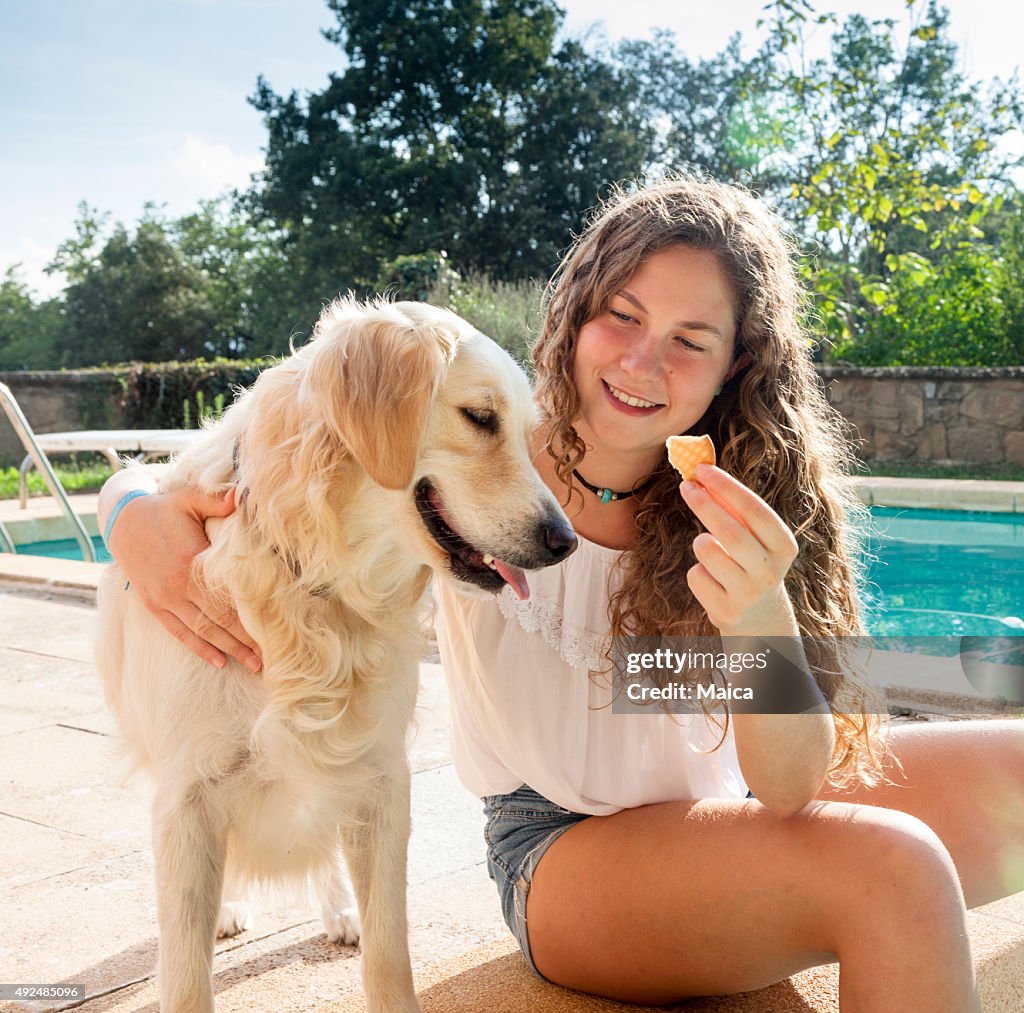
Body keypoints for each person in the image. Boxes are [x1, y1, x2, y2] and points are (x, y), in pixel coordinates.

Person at [99, 175, 1024, 1011]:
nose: (640, 362)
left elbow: (783, 777)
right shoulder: (483, 464)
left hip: (735, 796)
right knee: (895, 873)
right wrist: (130, 508)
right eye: (621, 315)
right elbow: (295, 428)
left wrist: (758, 617)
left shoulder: (736, 496)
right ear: (578, 311)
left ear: (736, 366)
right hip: (565, 849)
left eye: (690, 340)